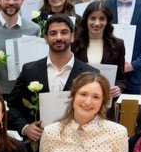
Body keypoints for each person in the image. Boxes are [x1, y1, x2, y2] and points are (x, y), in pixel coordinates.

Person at [6, 14, 97, 142]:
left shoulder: (90, 73)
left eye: (64, 32)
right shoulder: (30, 70)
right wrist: (25, 127)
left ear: (72, 37)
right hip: (38, 144)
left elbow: (97, 111)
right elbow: (12, 106)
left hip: (77, 143)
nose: (58, 37)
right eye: (53, 33)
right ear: (46, 38)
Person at [72, 1, 126, 103]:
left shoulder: (118, 45)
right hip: (79, 102)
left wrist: (118, 88)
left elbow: (121, 78)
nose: (97, 23)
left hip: (105, 103)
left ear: (107, 21)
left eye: (102, 19)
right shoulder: (74, 44)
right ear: (86, 20)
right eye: (93, 18)